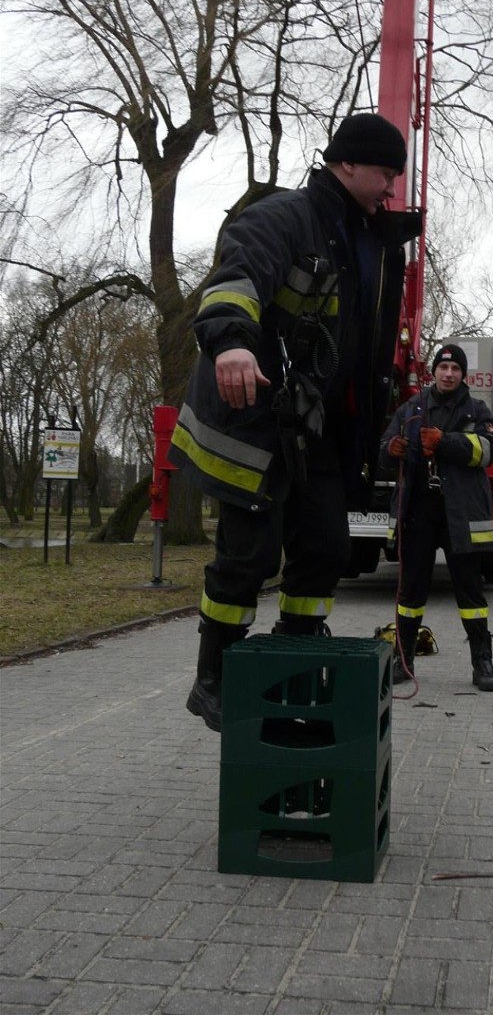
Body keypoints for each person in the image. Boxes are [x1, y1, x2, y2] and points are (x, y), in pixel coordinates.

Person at [169, 113, 421, 731]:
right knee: (248, 555)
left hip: (320, 428)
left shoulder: (369, 241)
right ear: (348, 163)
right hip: (255, 417)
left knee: (326, 549)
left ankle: (298, 655)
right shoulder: (283, 218)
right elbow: (237, 276)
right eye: (386, 172)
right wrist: (231, 342)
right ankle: (215, 678)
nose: (392, 187)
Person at [381, 343, 493, 692]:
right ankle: (403, 662)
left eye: (455, 369)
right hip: (418, 513)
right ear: (434, 372)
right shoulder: (411, 408)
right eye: (443, 368)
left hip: (459, 515)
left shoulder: (476, 410)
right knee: (410, 592)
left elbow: (490, 450)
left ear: (463, 375)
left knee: (470, 594)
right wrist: (391, 450)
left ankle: (482, 664)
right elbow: (384, 446)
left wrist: (446, 442)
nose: (448, 374)